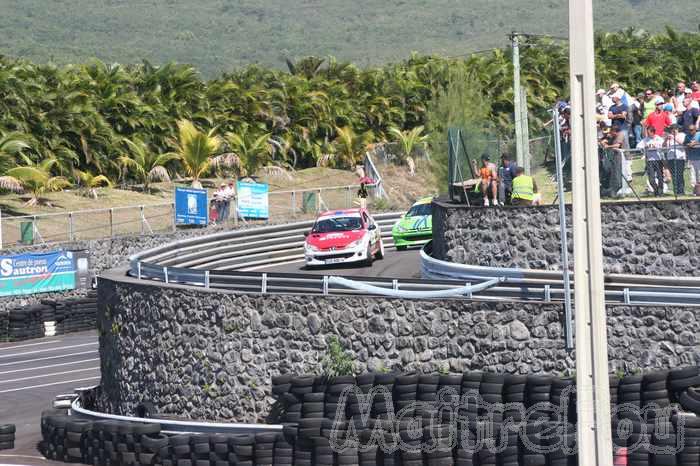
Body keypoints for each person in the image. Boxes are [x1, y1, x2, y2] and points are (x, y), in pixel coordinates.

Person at [637, 126, 665, 196]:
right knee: (651, 179)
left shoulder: (659, 139)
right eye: (647, 132)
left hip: (658, 160)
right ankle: (656, 190)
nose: (648, 134)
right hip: (649, 161)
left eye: (649, 132)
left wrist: (657, 146)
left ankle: (660, 191)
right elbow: (638, 146)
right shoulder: (645, 140)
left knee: (660, 177)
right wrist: (644, 147)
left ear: (653, 132)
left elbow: (664, 146)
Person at [664, 124, 686, 195]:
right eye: (671, 129)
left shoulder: (682, 135)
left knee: (679, 174)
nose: (673, 130)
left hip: (679, 157)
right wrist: (666, 139)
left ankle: (681, 191)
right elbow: (663, 146)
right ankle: (676, 191)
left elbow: (683, 143)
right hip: (671, 158)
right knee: (674, 175)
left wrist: (674, 138)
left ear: (677, 129)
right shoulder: (669, 137)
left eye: (674, 129)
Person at [685, 125, 700, 193]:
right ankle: (695, 191)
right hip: (691, 158)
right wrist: (688, 144)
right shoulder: (687, 136)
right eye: (689, 130)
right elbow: (684, 143)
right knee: (692, 176)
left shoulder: (699, 134)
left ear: (695, 129)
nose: (690, 131)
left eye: (691, 130)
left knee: (699, 175)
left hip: (698, 158)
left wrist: (694, 143)